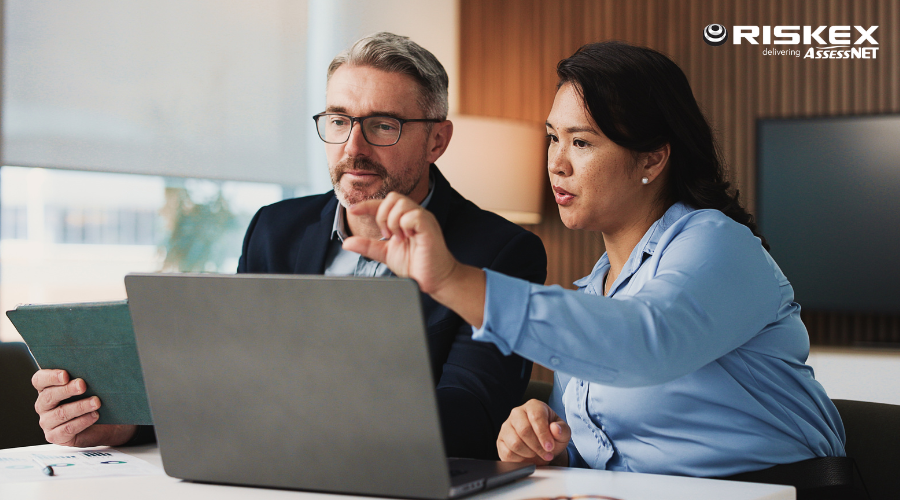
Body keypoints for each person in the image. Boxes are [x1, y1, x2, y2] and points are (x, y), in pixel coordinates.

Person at [30, 32, 547, 460]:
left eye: (382, 126)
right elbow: (222, 379)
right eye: (340, 121)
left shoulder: (502, 253)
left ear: (437, 141)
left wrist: (279, 406)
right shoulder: (274, 230)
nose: (353, 148)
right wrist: (125, 423)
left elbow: (469, 417)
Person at [342, 40, 846, 477]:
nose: (556, 164)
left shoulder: (721, 243)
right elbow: (608, 454)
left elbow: (644, 342)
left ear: (652, 157)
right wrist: (545, 446)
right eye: (553, 138)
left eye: (581, 142)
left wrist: (453, 280)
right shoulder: (595, 291)